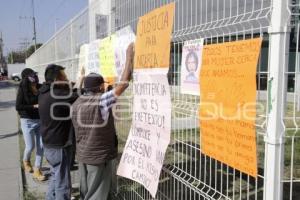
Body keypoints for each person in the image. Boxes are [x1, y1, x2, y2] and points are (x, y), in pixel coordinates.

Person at [71, 43, 134, 200]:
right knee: (98, 192)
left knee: (87, 189)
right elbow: (124, 83)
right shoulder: (101, 101)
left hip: (83, 154)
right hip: (98, 156)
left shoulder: (76, 102)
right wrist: (129, 57)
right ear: (100, 87)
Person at [38, 64, 84, 200]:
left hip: (49, 143)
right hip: (58, 146)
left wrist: (78, 80)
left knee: (55, 176)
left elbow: (69, 92)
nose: (66, 79)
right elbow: (78, 94)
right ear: (57, 79)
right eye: (64, 76)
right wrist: (83, 81)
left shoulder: (43, 91)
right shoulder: (57, 94)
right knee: (63, 183)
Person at [16, 68, 46, 181]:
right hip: (27, 120)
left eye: (35, 75)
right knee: (30, 146)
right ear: (26, 78)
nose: (34, 78)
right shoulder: (22, 89)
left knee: (41, 145)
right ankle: (26, 160)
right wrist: (33, 106)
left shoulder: (39, 87)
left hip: (39, 120)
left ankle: (37, 169)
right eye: (32, 76)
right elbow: (18, 106)